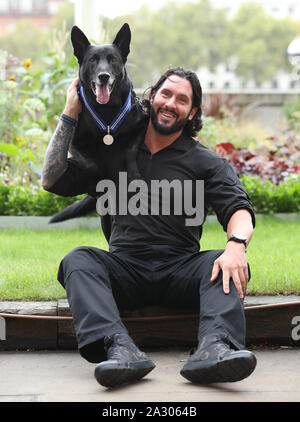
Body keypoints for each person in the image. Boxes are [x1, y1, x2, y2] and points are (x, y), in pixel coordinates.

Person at [42, 68, 257, 388]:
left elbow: (239, 210)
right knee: (79, 259)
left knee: (223, 263)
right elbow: (52, 178)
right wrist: (71, 112)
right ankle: (119, 349)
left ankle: (215, 349)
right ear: (152, 97)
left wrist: (235, 246)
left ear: (193, 112)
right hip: (125, 268)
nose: (171, 103)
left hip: (181, 268)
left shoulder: (207, 162)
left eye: (182, 99)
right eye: (166, 94)